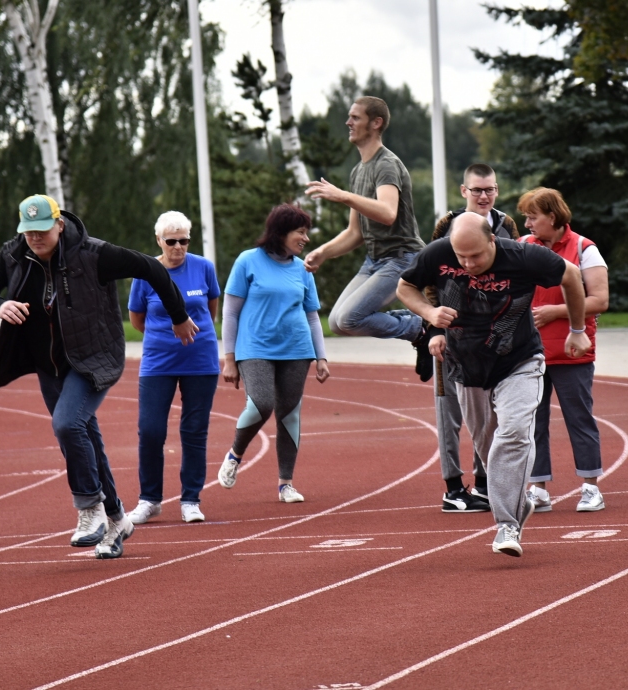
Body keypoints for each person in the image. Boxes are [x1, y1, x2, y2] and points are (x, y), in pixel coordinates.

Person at [0, 194, 197, 559]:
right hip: (48, 365)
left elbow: (152, 268)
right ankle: (118, 520)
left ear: (59, 224)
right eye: (29, 232)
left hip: (93, 358)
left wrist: (178, 316)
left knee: (68, 424)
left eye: (42, 231)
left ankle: (90, 508)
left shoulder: (94, 254)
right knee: (83, 434)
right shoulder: (13, 255)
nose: (35, 239)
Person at [396, 213, 591, 557]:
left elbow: (571, 276)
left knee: (513, 434)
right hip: (466, 366)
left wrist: (577, 330)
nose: (469, 264)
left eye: (477, 256)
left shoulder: (522, 256)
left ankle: (507, 525)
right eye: (461, 257)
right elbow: (405, 287)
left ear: (492, 242)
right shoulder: (438, 253)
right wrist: (429, 316)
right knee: (489, 450)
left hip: (519, 360)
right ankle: (517, 504)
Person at [217, 204, 331, 503]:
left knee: (289, 415)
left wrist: (321, 357)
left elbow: (311, 316)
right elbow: (229, 312)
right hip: (254, 348)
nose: (306, 238)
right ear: (280, 232)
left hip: (296, 349)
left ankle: (285, 484)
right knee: (261, 404)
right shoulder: (247, 261)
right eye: (300, 232)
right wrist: (229, 358)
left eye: (307, 232)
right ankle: (235, 453)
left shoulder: (302, 269)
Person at [303, 96, 428, 367]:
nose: (348, 122)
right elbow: (355, 233)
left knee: (350, 318)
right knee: (337, 322)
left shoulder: (386, 165)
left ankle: (419, 326)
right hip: (374, 260)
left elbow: (387, 212)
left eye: (355, 118)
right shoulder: (358, 171)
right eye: (349, 117)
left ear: (376, 123)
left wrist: (344, 196)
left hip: (402, 258)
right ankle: (418, 323)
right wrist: (323, 252)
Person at [427, 163, 519, 513]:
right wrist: (435, 327)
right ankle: (452, 486)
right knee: (449, 409)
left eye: (490, 189)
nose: (484, 196)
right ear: (464, 190)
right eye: (477, 190)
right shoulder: (446, 225)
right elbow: (428, 278)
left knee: (488, 413)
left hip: (494, 337)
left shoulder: (505, 225)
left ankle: (483, 483)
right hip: (452, 331)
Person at [126, 211, 221, 525]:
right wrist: (164, 336)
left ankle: (191, 499)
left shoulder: (204, 268)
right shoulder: (146, 272)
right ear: (159, 240)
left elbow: (210, 311)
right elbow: (137, 319)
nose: (178, 247)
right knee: (151, 431)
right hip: (158, 362)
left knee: (194, 431)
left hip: (200, 361)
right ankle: (149, 499)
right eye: (171, 241)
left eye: (184, 240)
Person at [518, 188, 610, 513]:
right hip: (529, 353)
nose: (526, 223)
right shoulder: (523, 248)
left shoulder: (585, 248)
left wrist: (555, 312)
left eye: (532, 216)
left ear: (552, 217)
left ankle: (590, 487)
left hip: (573, 352)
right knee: (533, 421)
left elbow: (600, 300)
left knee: (579, 419)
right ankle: (538, 488)